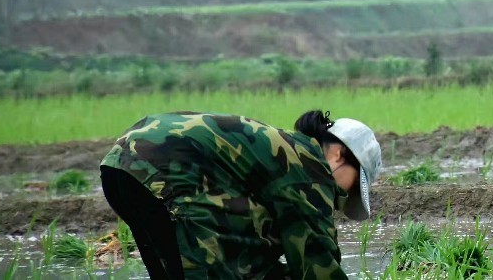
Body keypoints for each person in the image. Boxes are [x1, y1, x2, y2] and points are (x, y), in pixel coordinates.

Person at [99, 109, 383, 279]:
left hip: (122, 164)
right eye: (352, 186)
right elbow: (316, 259)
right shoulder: (310, 167)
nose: (341, 197)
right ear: (338, 153)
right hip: (166, 170)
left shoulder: (282, 153)